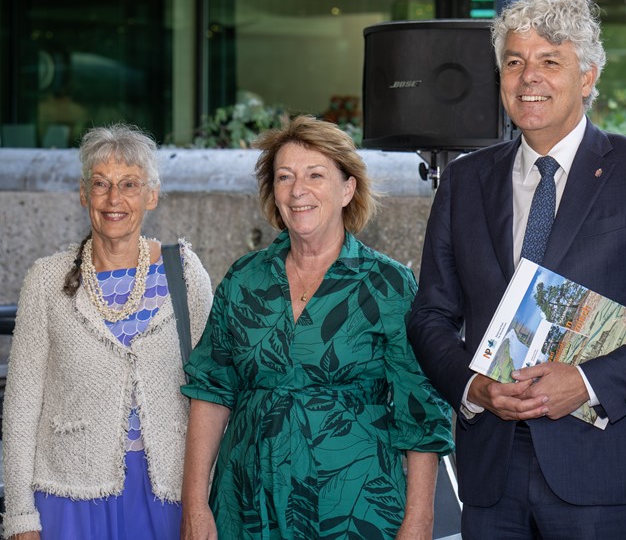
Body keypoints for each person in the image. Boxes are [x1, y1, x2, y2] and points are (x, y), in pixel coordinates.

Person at [406, 0, 626, 539]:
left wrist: (586, 382)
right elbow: (430, 315)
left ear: (589, 77)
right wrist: (473, 387)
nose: (530, 77)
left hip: (604, 468)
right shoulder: (465, 180)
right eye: (515, 62)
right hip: (490, 469)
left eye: (551, 61)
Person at [180, 115, 453, 540]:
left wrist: (419, 521)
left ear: (348, 188)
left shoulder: (388, 284)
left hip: (354, 510)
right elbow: (211, 391)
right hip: (246, 507)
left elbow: (420, 411)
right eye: (284, 177)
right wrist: (195, 505)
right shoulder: (244, 279)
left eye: (315, 175)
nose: (297, 190)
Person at [1, 123, 213, 540]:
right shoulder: (47, 280)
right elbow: (22, 405)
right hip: (68, 493)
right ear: (84, 194)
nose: (114, 199)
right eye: (101, 184)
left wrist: (204, 496)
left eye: (129, 184)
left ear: (151, 195)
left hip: (166, 494)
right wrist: (20, 515)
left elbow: (211, 392)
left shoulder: (184, 273)